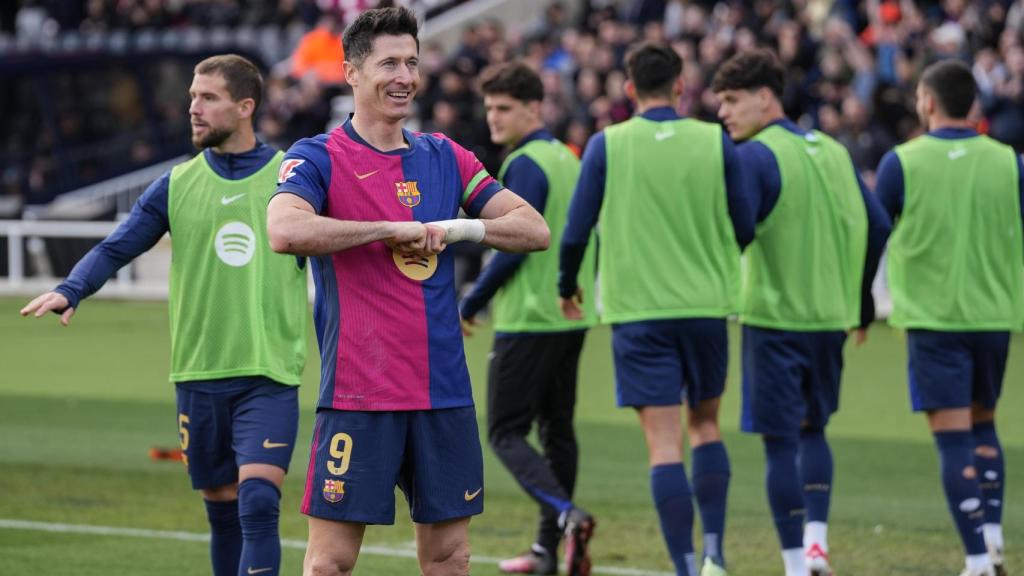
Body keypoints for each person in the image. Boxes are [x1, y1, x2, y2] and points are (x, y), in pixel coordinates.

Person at [264, 8, 549, 576]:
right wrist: (385, 229)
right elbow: (284, 230)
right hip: (358, 393)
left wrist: (458, 227)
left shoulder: (445, 155)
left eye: (412, 62)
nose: (405, 76)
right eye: (389, 62)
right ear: (351, 72)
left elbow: (533, 229)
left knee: (449, 557)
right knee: (330, 564)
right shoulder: (318, 156)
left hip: (442, 391)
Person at [21, 54, 307, 576]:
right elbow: (116, 246)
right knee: (222, 511)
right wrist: (72, 288)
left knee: (259, 504)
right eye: (192, 96)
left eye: (208, 98)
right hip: (197, 376)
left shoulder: (292, 177)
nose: (192, 108)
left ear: (246, 107)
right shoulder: (176, 184)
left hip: (268, 373)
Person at [559, 42, 753, 576]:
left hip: (638, 309)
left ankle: (687, 566)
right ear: (680, 85)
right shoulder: (716, 141)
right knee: (707, 427)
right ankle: (715, 549)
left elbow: (575, 231)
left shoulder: (607, 145)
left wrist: (566, 282)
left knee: (663, 442)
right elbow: (745, 224)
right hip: (706, 305)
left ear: (628, 90)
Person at [711, 48, 891, 576]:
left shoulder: (754, 154)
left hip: (773, 317)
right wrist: (858, 302)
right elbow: (878, 224)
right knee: (815, 433)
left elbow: (738, 231)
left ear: (765, 97)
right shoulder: (833, 150)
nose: (723, 112)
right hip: (829, 321)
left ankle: (794, 565)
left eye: (731, 100)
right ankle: (816, 547)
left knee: (778, 443)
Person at [875, 59, 1023, 576]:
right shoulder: (1009, 162)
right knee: (985, 426)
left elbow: (874, 233)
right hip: (993, 317)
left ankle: (978, 560)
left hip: (935, 320)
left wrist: (858, 300)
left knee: (953, 438)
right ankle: (995, 539)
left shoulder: (902, 162)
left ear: (928, 101)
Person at [459, 61, 598, 576]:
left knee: (504, 431)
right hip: (571, 316)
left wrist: (471, 302)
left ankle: (565, 516)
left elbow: (514, 247)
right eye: (490, 107)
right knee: (557, 431)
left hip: (530, 318)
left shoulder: (524, 164)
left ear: (534, 108)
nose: (493, 118)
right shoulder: (569, 158)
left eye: (504, 108)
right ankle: (547, 548)